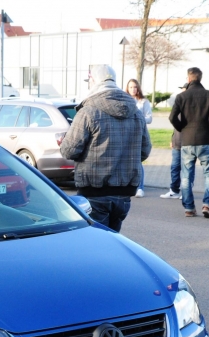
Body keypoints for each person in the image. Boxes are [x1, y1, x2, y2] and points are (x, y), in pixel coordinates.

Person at [60, 64, 151, 233]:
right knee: (112, 241)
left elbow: (69, 151)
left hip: (94, 191)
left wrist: (64, 141)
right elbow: (145, 151)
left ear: (94, 81)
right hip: (125, 193)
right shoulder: (136, 112)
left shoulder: (88, 111)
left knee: (94, 246)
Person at [169, 67, 209, 218]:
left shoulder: (181, 97)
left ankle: (189, 207)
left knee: (186, 175)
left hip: (188, 140)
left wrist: (182, 129)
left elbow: (172, 117)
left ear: (189, 79)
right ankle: (207, 204)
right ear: (200, 78)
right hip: (205, 139)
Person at [161, 83, 189, 200]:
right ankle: (174, 190)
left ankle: (186, 192)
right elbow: (174, 123)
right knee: (175, 167)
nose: (182, 92)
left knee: (187, 168)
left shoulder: (191, 106)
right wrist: (172, 139)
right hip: (177, 141)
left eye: (184, 90)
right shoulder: (178, 105)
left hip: (188, 141)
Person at [125, 78, 152, 198]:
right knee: (126, 161)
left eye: (135, 87)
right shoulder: (124, 100)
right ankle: (128, 185)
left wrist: (138, 118)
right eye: (131, 87)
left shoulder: (143, 101)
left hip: (139, 133)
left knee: (138, 160)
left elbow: (149, 118)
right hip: (126, 133)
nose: (133, 89)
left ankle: (140, 187)